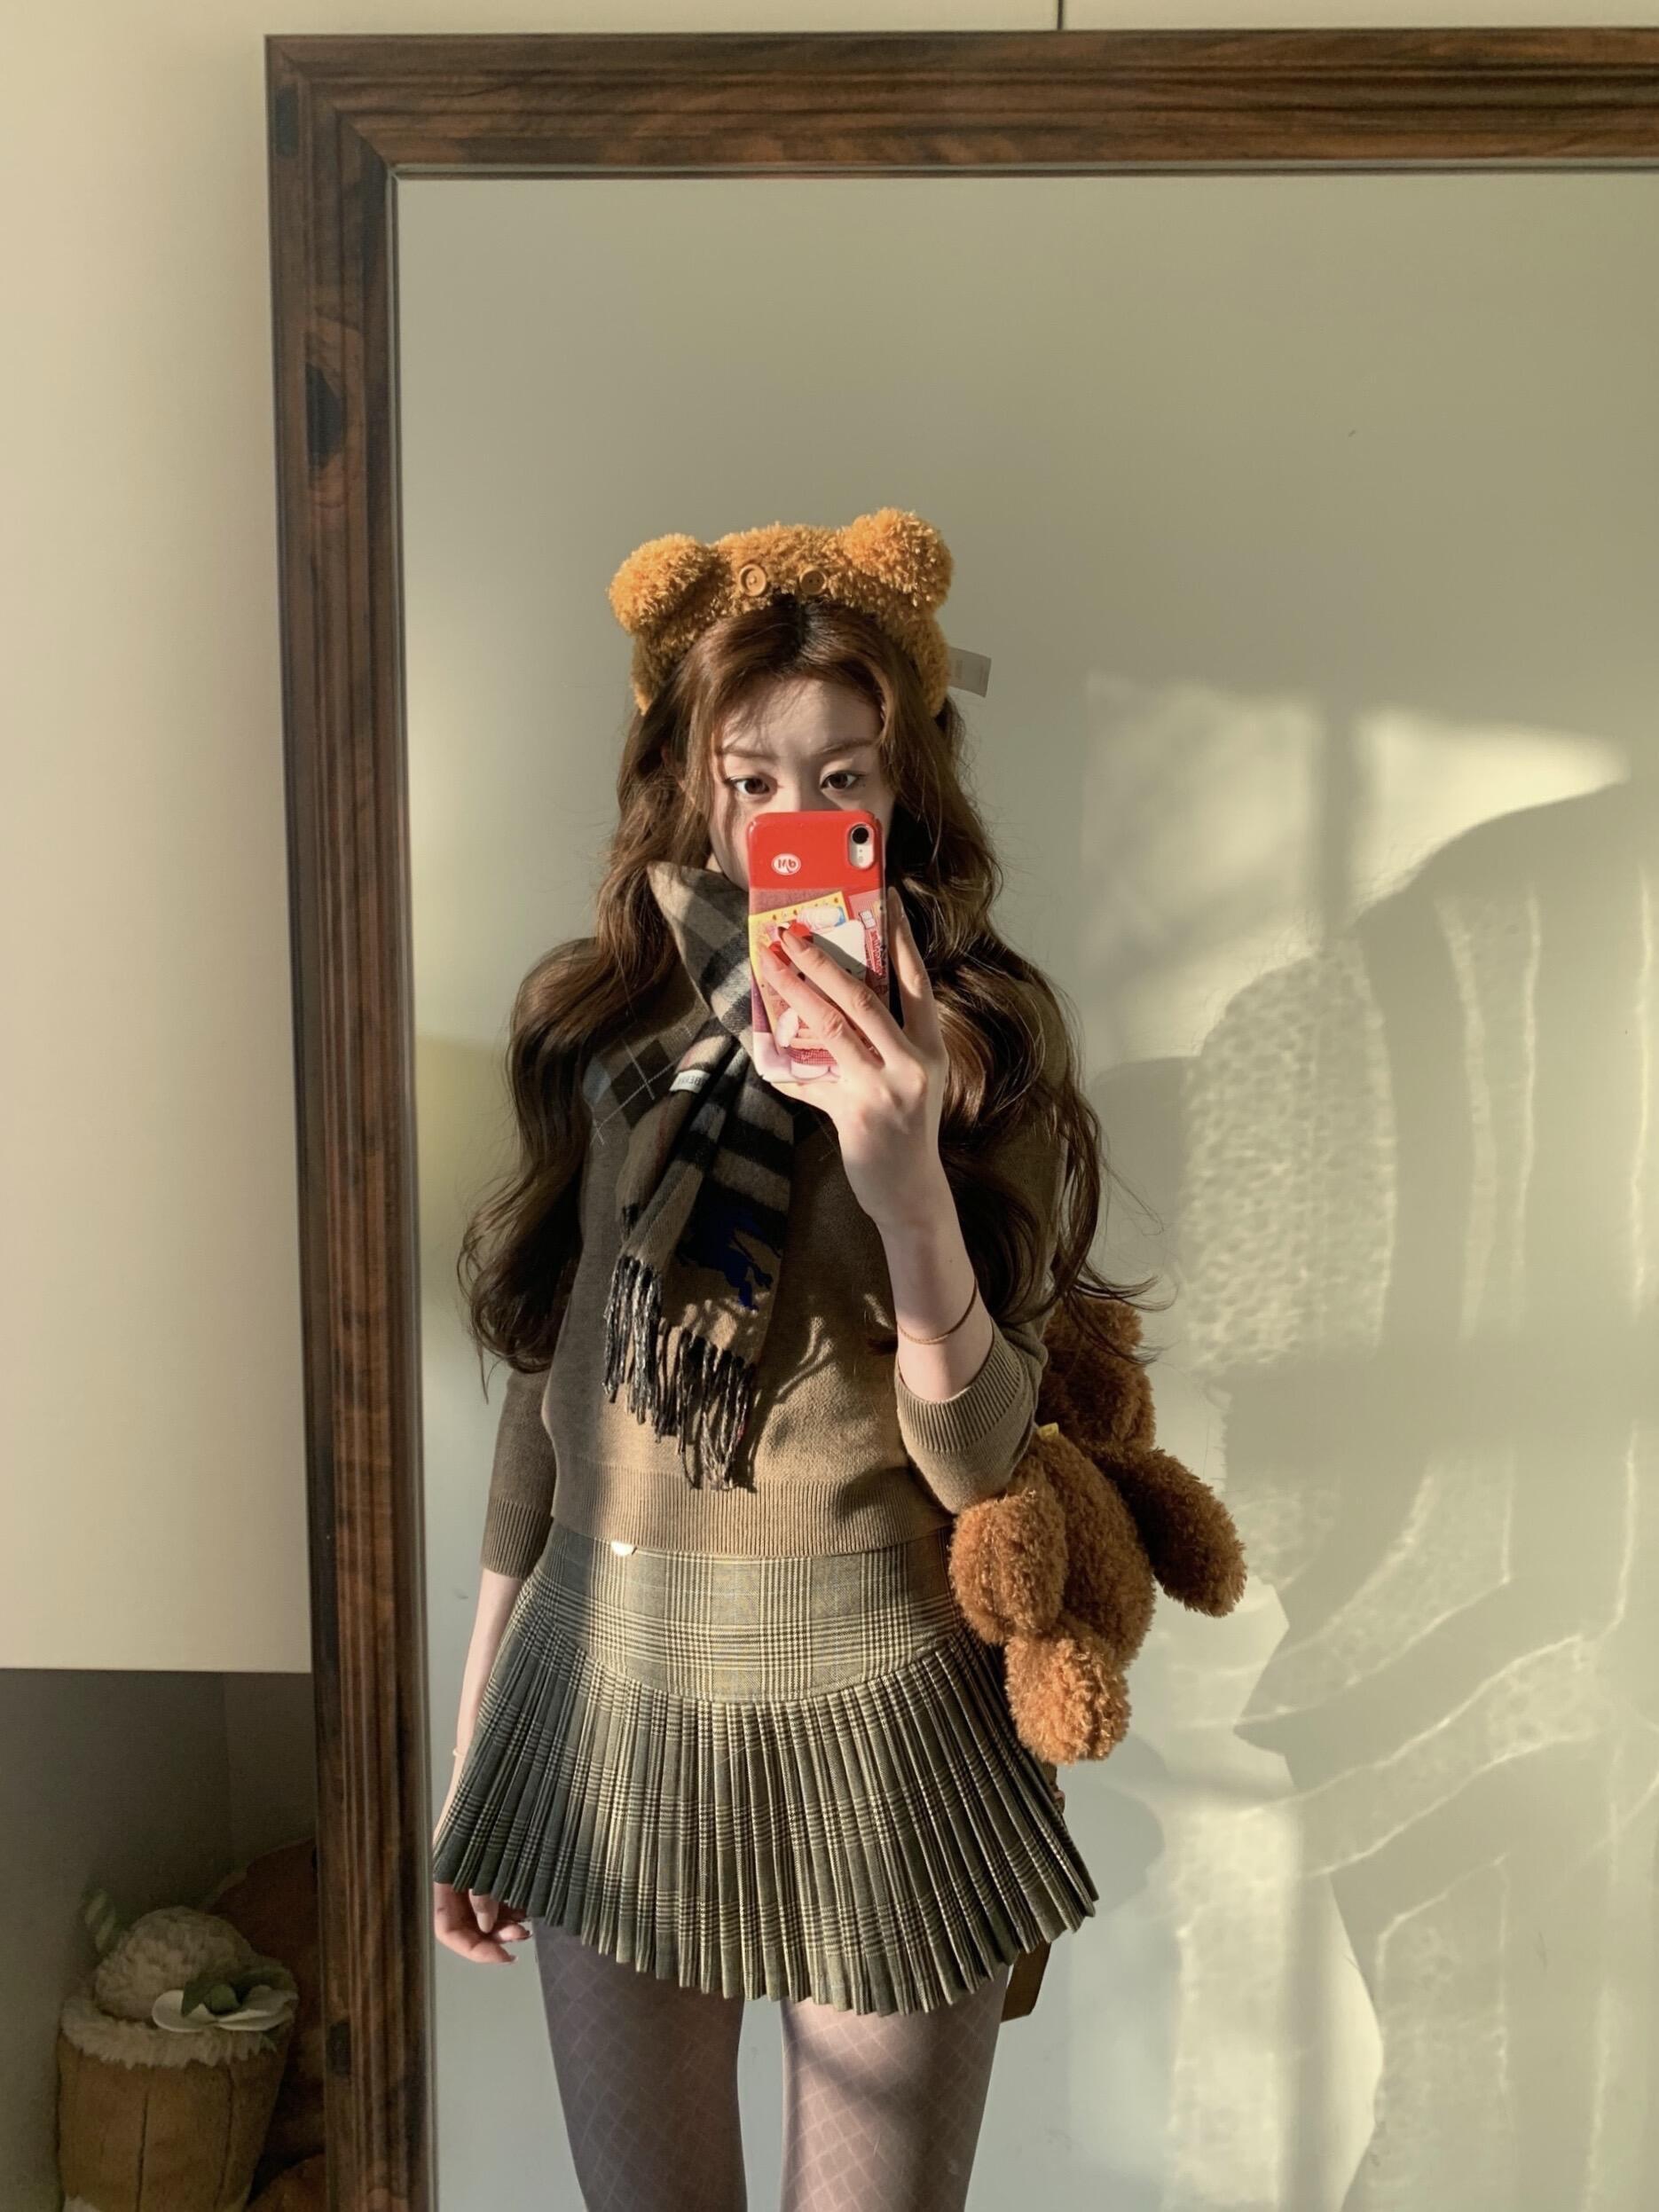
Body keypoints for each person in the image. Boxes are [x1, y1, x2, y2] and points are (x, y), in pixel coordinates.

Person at [429, 508, 1158, 2211]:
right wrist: (476, 1746)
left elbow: (986, 1467)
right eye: (750, 778)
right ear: (688, 780)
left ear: (905, 785)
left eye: (842, 778)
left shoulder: (981, 1043)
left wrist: (905, 1186)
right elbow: (553, 1396)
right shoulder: (601, 1024)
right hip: (604, 1705)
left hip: (884, 1719)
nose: (790, 820)